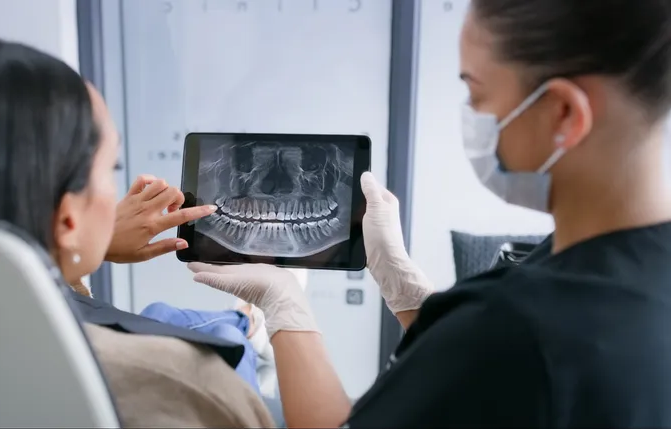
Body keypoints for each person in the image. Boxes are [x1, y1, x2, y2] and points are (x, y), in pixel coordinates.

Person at [188, 0, 671, 427]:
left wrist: (282, 301)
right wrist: (405, 286)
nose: (471, 113)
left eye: (477, 94)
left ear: (563, 113)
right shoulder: (615, 277)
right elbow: (485, 377)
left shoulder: (522, 327)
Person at [0, 38, 275, 427]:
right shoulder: (186, 381)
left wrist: (66, 250)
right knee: (215, 338)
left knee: (164, 316)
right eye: (111, 168)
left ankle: (242, 320)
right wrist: (289, 308)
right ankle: (248, 323)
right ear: (68, 218)